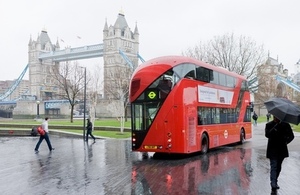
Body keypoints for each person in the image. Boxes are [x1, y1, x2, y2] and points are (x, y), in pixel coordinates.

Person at [265, 115, 294, 192]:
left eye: (277, 117)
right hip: (272, 149)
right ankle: (273, 183)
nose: (275, 118)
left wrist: (285, 142)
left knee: (278, 167)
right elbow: (267, 135)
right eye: (274, 117)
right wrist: (275, 127)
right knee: (273, 166)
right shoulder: (269, 125)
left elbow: (291, 136)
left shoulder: (285, 125)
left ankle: (275, 180)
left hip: (281, 150)